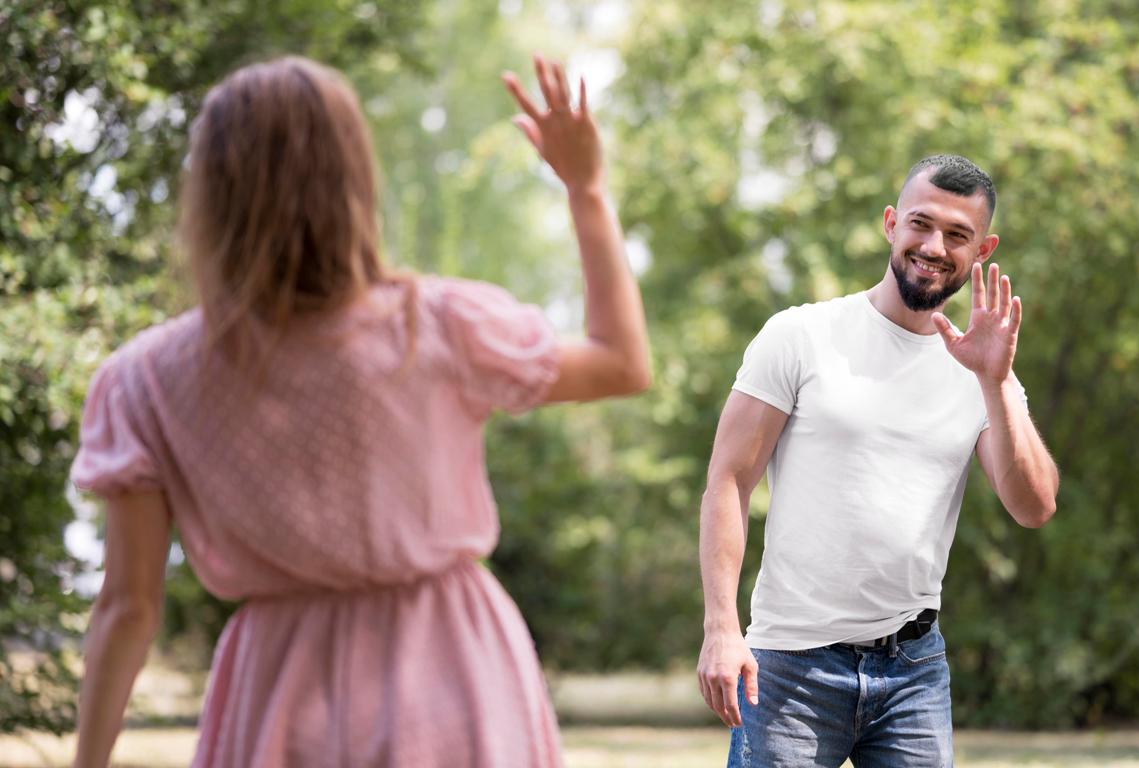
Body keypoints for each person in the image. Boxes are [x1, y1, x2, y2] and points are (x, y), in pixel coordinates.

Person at [69, 54, 648, 768]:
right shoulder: (436, 327)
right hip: (453, 678)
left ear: (210, 192)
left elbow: (129, 608)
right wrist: (586, 189)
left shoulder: (145, 381)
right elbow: (622, 363)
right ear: (352, 178)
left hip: (274, 697)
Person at [696, 155, 1059, 767]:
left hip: (913, 670)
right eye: (921, 224)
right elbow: (728, 483)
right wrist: (720, 628)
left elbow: (1034, 506)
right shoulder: (801, 336)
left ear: (983, 249)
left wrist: (995, 383)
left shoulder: (982, 368)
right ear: (891, 223)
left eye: (957, 234)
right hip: (790, 665)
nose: (934, 246)